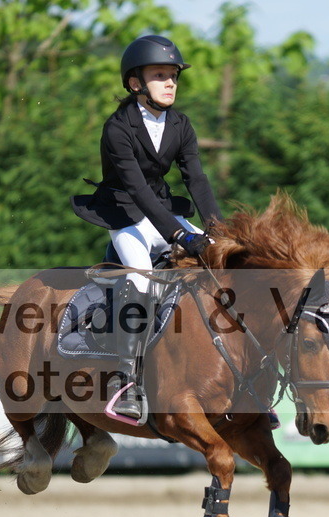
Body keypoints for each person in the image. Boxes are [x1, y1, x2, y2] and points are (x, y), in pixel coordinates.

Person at [72, 35, 224, 424]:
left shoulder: (181, 124)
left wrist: (218, 230)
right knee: (140, 279)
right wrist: (179, 235)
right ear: (135, 82)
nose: (170, 83)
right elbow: (137, 189)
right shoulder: (117, 128)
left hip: (163, 210)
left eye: (173, 75)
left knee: (221, 266)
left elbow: (197, 180)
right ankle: (126, 380)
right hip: (125, 214)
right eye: (160, 75)